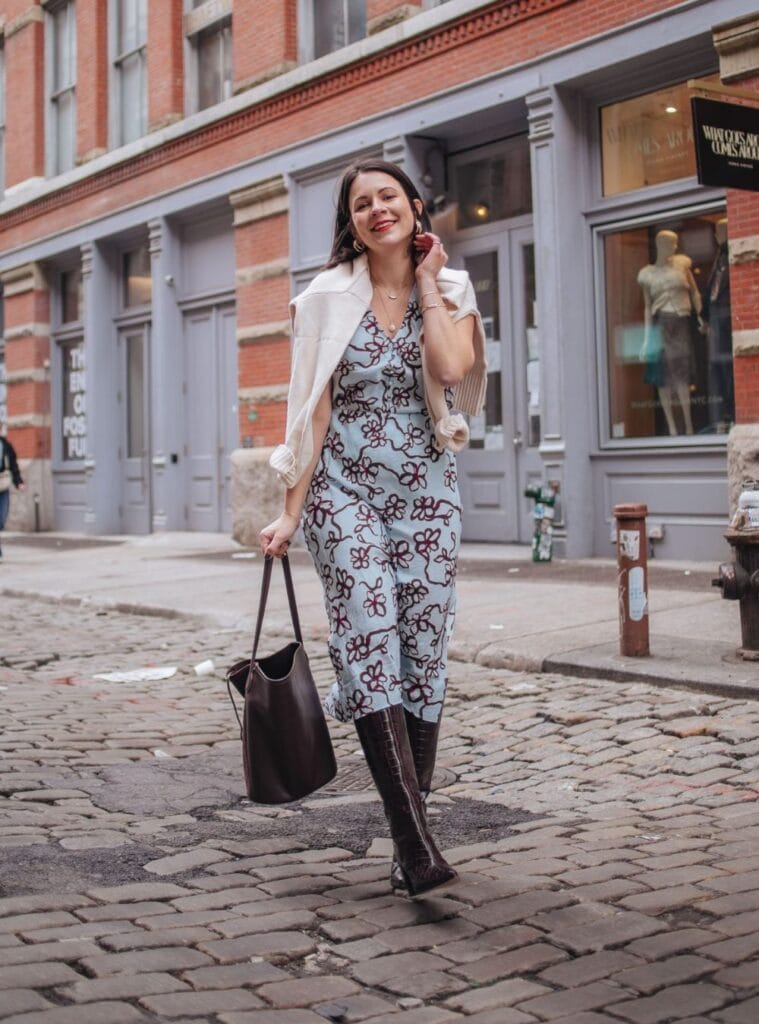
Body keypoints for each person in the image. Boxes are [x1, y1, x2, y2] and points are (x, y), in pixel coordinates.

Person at [260, 158, 486, 898]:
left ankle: (409, 835)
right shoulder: (324, 297)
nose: (376, 210)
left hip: (426, 489)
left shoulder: (450, 290)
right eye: (361, 204)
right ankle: (413, 842)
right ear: (349, 222)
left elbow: (450, 370)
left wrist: (425, 282)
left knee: (423, 650)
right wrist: (290, 510)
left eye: (388, 197)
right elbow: (311, 407)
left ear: (415, 208)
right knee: (369, 639)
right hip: (342, 489)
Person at [638, 229, 702, 436]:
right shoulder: (647, 274)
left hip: (682, 321)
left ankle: (689, 425)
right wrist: (647, 340)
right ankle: (673, 428)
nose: (674, 248)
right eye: (670, 244)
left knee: (682, 374)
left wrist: (701, 317)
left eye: (675, 244)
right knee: (663, 376)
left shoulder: (682, 265)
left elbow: (694, 292)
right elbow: (647, 307)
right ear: (660, 245)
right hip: (661, 322)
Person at [0, 424, 24, 561]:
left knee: (1, 519)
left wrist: (18, 481)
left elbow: (13, 465)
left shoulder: (6, 446)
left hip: (3, 485)